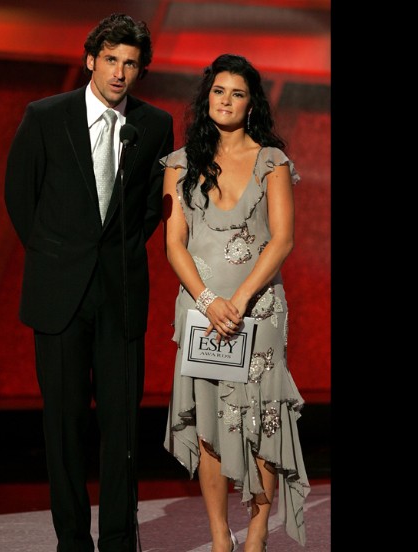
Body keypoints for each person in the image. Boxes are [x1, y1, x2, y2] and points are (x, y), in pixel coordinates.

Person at [4, 12, 174, 552]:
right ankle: (72, 541)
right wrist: (60, 255)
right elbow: (20, 196)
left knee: (121, 430)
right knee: (64, 427)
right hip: (58, 296)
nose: (121, 72)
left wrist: (112, 254)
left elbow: (152, 206)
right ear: (90, 60)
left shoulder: (154, 125)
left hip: (120, 292)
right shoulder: (45, 116)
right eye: (112, 60)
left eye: (131, 63)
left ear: (140, 69)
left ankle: (121, 540)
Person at [160, 54, 310, 551]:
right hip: (201, 313)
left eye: (237, 93)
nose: (226, 100)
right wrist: (207, 300)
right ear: (207, 98)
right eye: (218, 91)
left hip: (258, 311)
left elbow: (282, 239)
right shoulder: (181, 162)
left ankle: (258, 535)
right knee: (208, 425)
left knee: (262, 418)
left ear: (252, 104)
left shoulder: (273, 161)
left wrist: (240, 301)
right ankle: (221, 537)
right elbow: (173, 243)